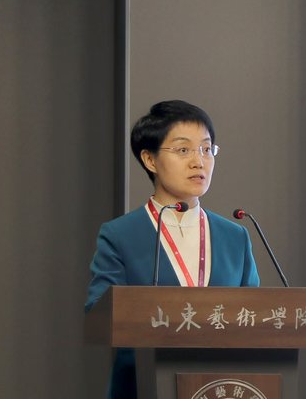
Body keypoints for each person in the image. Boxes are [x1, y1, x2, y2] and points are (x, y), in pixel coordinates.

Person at [85, 99, 260, 398]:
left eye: (207, 149)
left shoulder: (235, 237)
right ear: (150, 160)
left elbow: (256, 316)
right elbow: (99, 313)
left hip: (221, 387)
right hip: (142, 387)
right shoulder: (120, 235)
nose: (198, 161)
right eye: (183, 150)